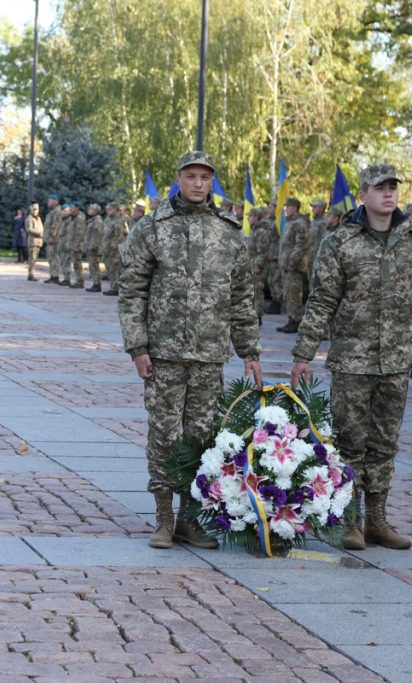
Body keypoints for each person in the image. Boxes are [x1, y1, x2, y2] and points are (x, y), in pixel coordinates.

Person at [118, 150, 262, 550]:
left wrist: (250, 351)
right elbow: (131, 290)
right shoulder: (152, 229)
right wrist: (137, 346)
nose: (198, 183)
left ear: (212, 182)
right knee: (163, 434)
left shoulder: (229, 232)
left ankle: (190, 519)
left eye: (205, 177)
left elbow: (242, 297)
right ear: (179, 179)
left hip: (208, 354)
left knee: (202, 437)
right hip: (162, 353)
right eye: (191, 176)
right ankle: (163, 519)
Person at [292, 164, 412, 550]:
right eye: (380, 188)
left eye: (393, 187)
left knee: (385, 443)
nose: (388, 194)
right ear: (363, 195)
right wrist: (304, 353)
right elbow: (322, 299)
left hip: (395, 360)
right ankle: (351, 520)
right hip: (352, 361)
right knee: (350, 442)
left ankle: (378, 519)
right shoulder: (341, 242)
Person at [276, 197, 310, 333]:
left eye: (288, 206)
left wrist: (292, 262)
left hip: (293, 266)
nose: (286, 209)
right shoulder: (290, 223)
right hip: (286, 266)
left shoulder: (300, 223)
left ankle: (296, 321)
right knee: (289, 294)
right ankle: (291, 319)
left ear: (295, 207)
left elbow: (300, 245)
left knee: (294, 294)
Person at [306, 199, 328, 284]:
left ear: (322, 208)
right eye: (313, 207)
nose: (312, 209)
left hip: (318, 259)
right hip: (310, 258)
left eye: (315, 207)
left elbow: (324, 242)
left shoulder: (324, 223)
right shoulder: (313, 222)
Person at [43, 195, 63, 283]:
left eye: (50, 201)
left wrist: (52, 237)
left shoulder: (57, 211)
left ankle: (55, 276)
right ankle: (52, 275)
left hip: (53, 239)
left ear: (55, 202)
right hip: (49, 239)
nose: (48, 202)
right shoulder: (52, 211)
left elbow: (56, 225)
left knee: (54, 257)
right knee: (50, 257)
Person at [84, 203, 104, 292]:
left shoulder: (97, 221)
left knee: (94, 266)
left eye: (91, 209)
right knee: (92, 266)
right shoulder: (93, 220)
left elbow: (97, 235)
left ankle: (97, 284)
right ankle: (95, 283)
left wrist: (93, 246)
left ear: (96, 211)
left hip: (94, 248)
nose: (89, 210)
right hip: (90, 246)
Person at [24, 202, 44, 281]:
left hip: (38, 241)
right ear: (31, 210)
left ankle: (31, 273)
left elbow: (41, 227)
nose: (36, 211)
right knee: (32, 258)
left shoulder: (38, 218)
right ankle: (30, 274)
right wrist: (39, 233)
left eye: (37, 209)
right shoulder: (29, 218)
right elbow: (29, 229)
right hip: (33, 242)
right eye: (34, 209)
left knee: (34, 259)